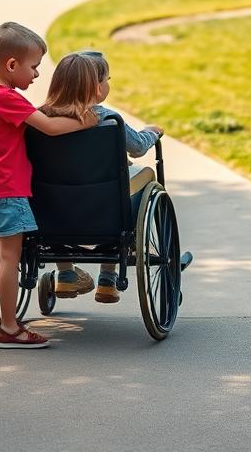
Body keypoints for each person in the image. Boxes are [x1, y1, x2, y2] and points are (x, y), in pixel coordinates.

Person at [0, 23, 96, 349]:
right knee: (11, 258)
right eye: (35, 67)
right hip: (8, 190)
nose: (38, 75)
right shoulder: (7, 99)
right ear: (11, 65)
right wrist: (86, 120)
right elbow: (51, 128)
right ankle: (11, 328)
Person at [39, 51, 163, 303]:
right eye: (107, 79)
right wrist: (151, 132)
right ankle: (107, 279)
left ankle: (66, 275)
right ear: (96, 88)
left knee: (61, 197)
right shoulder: (107, 119)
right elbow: (138, 147)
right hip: (103, 209)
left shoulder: (40, 119)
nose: (108, 84)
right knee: (146, 177)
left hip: (53, 210)